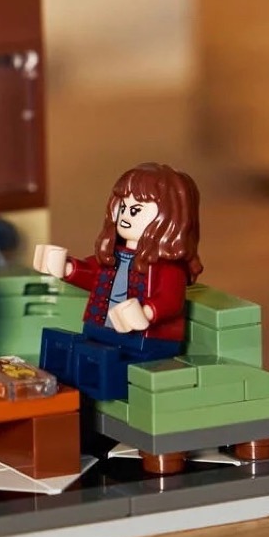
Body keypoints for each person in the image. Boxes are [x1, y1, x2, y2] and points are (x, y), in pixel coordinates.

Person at [32, 162, 201, 401]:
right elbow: (94, 274)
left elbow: (171, 300)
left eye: (136, 210)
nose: (126, 215)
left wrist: (146, 312)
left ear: (169, 219)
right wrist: (66, 267)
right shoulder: (116, 255)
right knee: (62, 348)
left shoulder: (167, 267)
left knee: (101, 364)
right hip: (100, 332)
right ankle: (62, 393)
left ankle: (88, 399)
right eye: (123, 206)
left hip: (144, 344)